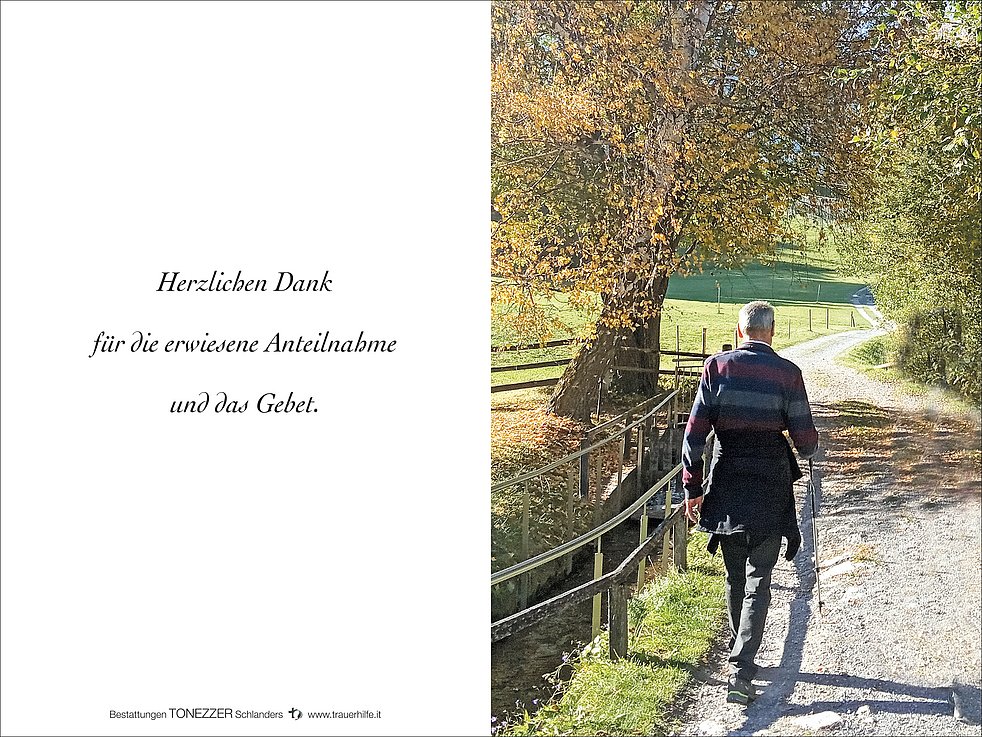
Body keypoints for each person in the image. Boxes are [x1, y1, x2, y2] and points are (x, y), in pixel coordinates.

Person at [680, 300, 819, 705]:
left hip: (726, 480)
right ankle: (741, 668)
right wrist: (809, 447)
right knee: (760, 576)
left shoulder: (716, 368)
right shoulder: (788, 373)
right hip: (770, 484)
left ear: (739, 331)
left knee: (735, 575)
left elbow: (694, 435)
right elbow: (805, 439)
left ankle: (739, 652)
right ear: (772, 332)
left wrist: (692, 488)